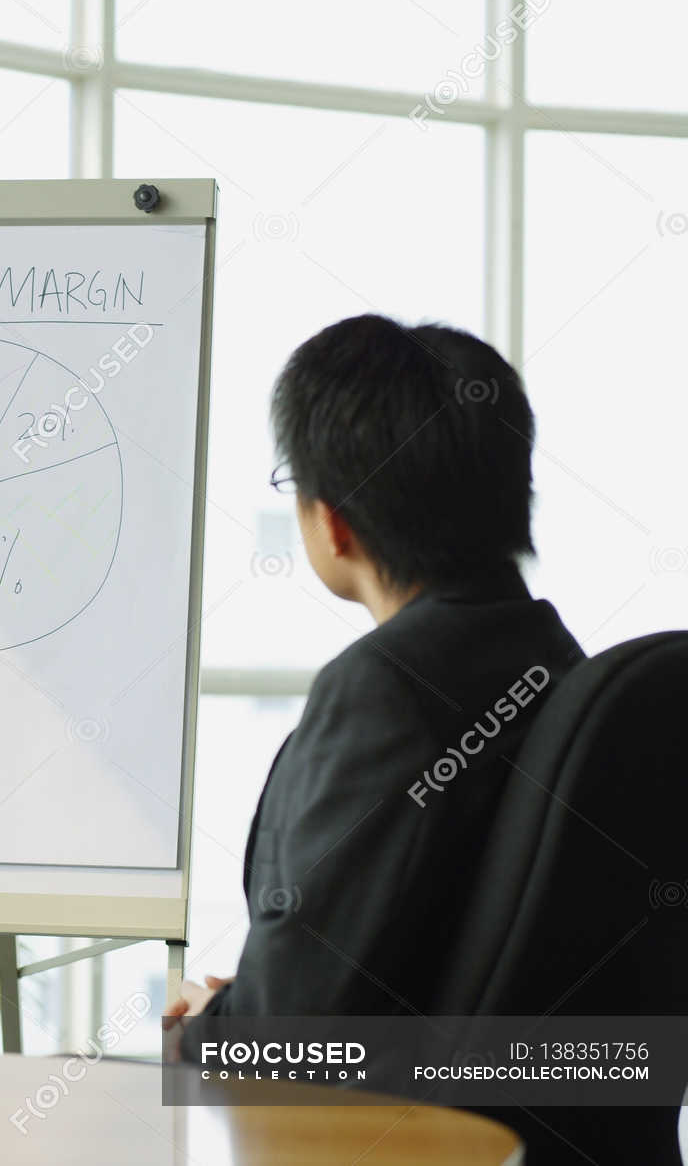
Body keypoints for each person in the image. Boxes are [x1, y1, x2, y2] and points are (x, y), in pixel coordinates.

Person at [167, 314, 584, 1035]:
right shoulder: (557, 661)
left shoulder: (385, 691)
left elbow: (289, 1034)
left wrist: (216, 1026)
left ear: (333, 523)